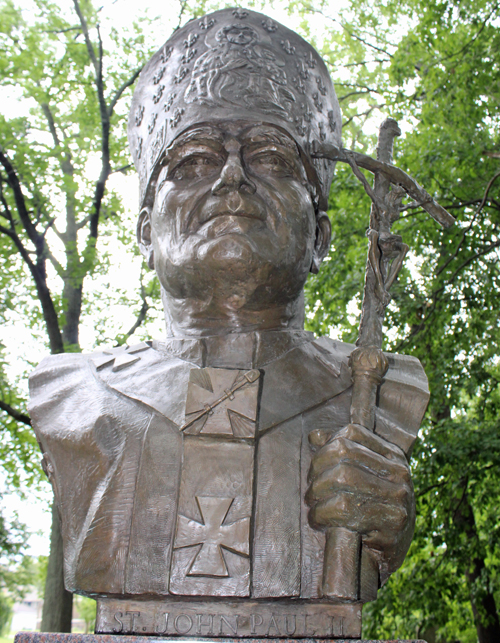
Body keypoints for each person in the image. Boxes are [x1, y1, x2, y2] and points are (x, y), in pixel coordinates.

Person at [29, 8, 429, 637]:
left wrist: (387, 527)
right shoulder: (69, 395)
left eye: (272, 158)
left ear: (321, 236)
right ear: (144, 232)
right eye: (191, 162)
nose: (232, 178)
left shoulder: (378, 392)